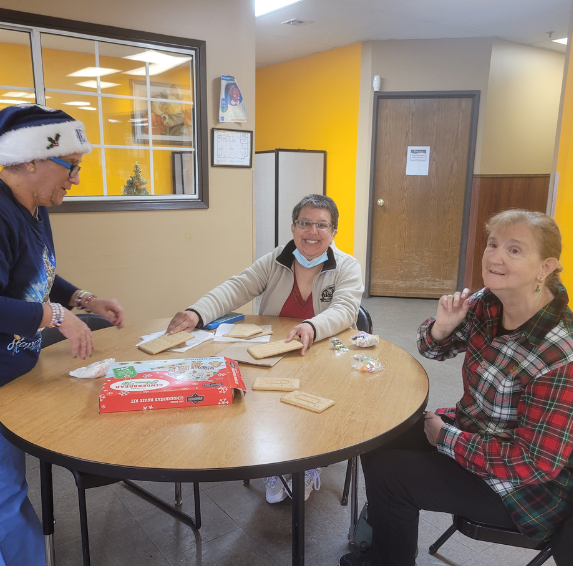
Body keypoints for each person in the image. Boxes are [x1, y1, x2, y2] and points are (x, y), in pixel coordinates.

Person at [0, 104, 125, 566]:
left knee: (2, 495)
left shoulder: (32, 206)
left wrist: (82, 299)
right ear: (32, 160)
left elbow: (33, 274)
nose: (76, 179)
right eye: (71, 166)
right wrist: (56, 315)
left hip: (5, 378)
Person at [339, 209, 573, 566]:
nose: (494, 257)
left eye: (514, 250)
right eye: (492, 244)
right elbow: (431, 349)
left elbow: (534, 464)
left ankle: (388, 555)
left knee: (390, 474)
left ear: (545, 267)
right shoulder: (488, 303)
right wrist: (442, 328)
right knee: (383, 433)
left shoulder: (560, 353)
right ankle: (391, 543)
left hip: (521, 490)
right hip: (475, 433)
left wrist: (445, 437)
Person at [167, 194, 364, 504]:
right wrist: (198, 312)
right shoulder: (275, 260)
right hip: (278, 351)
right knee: (260, 400)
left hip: (324, 352)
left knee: (319, 404)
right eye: (305, 223)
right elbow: (237, 286)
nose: (312, 232)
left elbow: (345, 311)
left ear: (334, 231)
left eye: (321, 225)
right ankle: (278, 459)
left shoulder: (347, 267)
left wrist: (312, 327)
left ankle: (311, 462)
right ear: (293, 227)